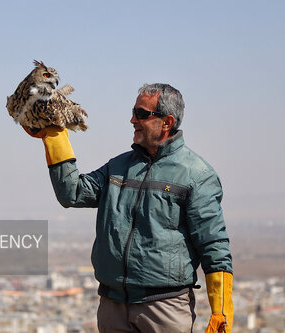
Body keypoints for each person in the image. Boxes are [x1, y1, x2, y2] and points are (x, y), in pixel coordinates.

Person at [24, 83, 233, 333]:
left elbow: (213, 244)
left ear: (167, 122)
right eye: (134, 112)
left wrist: (220, 310)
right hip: (113, 306)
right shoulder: (118, 167)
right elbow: (72, 193)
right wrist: (54, 136)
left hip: (164, 309)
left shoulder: (197, 175)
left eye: (142, 114)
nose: (132, 119)